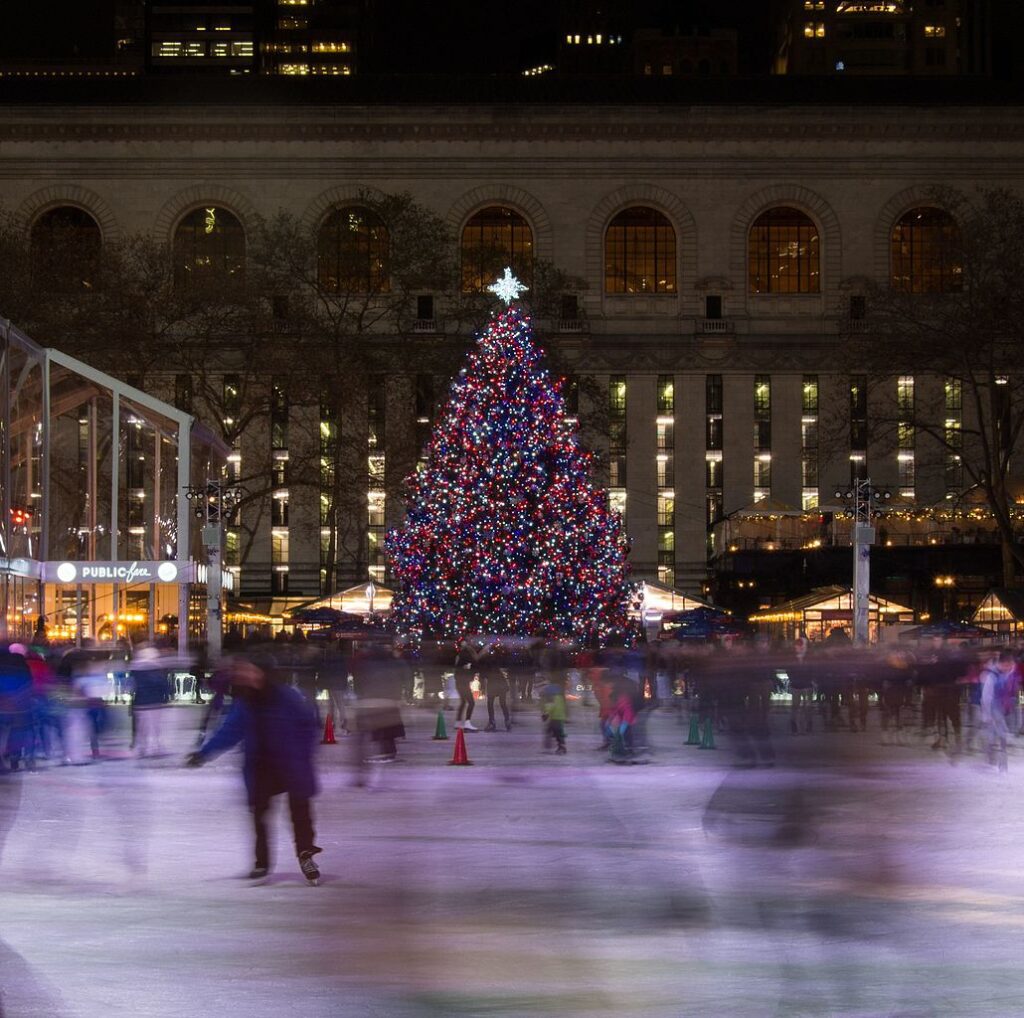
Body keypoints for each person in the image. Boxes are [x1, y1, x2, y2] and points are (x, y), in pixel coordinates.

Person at [186, 657, 323, 884]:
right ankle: (262, 863)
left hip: (291, 763)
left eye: (251, 670)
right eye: (243, 672)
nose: (247, 676)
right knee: (259, 815)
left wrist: (303, 753)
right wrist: (203, 754)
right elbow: (229, 731)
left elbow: (308, 725)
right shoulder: (245, 701)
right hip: (261, 766)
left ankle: (305, 855)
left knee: (300, 814)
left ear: (263, 672)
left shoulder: (286, 696)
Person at [540, 673, 568, 754]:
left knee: (557, 732)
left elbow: (550, 706)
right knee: (555, 731)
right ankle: (556, 745)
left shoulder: (551, 696)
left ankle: (560, 746)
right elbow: (560, 706)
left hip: (556, 717)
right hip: (558, 716)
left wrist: (545, 714)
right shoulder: (558, 695)